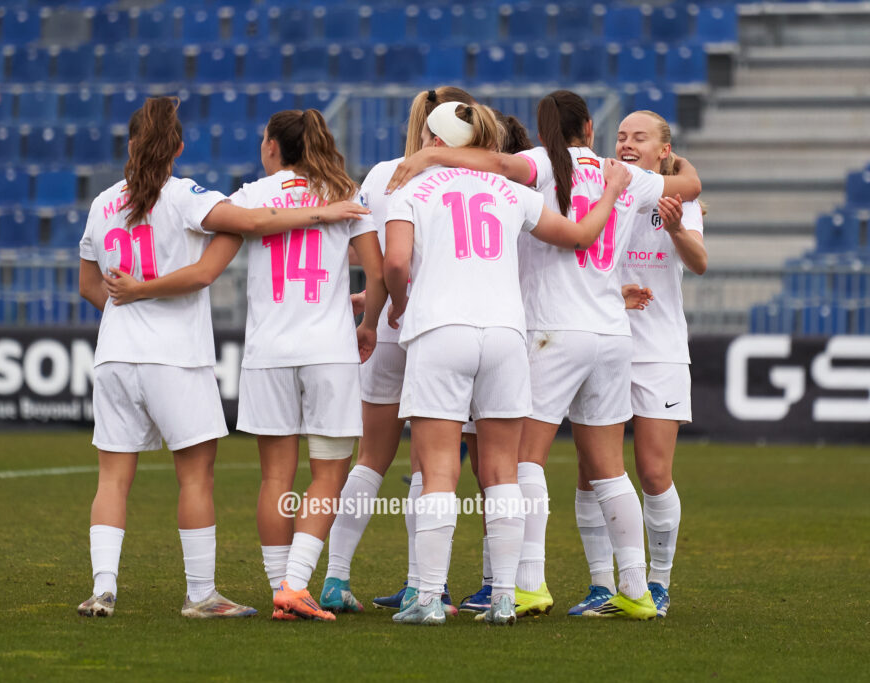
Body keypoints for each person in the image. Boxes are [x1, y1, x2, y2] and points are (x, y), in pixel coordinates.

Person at [386, 90, 701, 620]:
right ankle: (636, 587)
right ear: (592, 130)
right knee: (609, 468)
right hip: (612, 330)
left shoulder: (535, 166)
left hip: (550, 329)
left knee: (518, 461)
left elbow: (492, 165)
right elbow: (688, 185)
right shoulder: (619, 174)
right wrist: (675, 160)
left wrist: (431, 155)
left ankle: (525, 582)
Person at [76, 97, 369, 619]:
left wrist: (128, 309)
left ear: (129, 144)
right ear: (180, 147)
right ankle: (208, 594)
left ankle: (103, 588)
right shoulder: (190, 196)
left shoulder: (102, 203)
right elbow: (243, 234)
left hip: (116, 354)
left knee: (113, 478)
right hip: (178, 357)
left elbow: (88, 285)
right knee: (196, 477)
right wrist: (326, 212)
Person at [320, 87, 475, 617]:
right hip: (439, 325)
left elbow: (375, 258)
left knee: (370, 459)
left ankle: (335, 577)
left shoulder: (382, 174)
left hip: (388, 324)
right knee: (432, 463)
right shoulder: (474, 176)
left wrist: (374, 309)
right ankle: (419, 585)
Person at [583, 109, 706, 618]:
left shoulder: (679, 196)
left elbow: (698, 261)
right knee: (593, 473)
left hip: (659, 350)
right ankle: (599, 585)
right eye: (621, 136)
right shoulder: (605, 187)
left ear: (663, 150)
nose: (627, 144)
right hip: (604, 339)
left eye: (639, 137)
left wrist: (677, 229)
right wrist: (615, 292)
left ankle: (658, 582)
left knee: (654, 473)